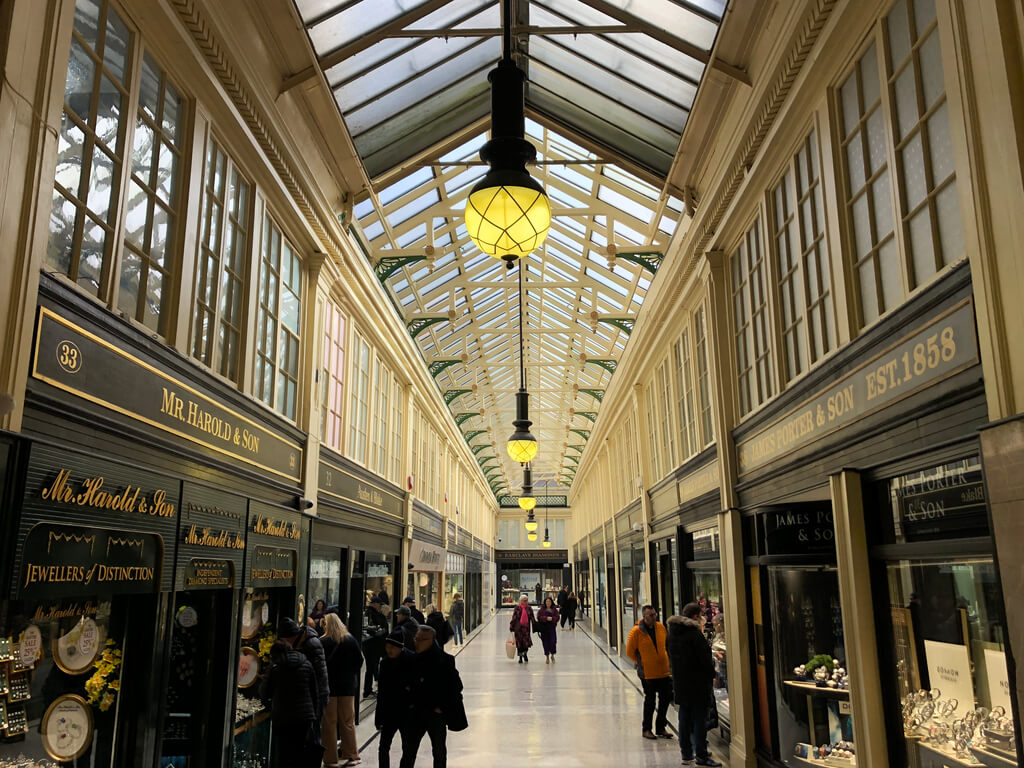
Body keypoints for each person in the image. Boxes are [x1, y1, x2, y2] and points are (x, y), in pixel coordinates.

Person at [400, 625, 466, 768]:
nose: (417, 642)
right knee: (409, 750)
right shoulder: (412, 660)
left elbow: (456, 686)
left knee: (439, 751)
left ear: (431, 640)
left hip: (435, 714)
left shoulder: (444, 661)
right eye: (416, 639)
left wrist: (440, 707)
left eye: (422, 639)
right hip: (416, 712)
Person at [667, 603, 721, 767]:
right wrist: (712, 674)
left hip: (681, 683)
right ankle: (702, 755)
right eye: (701, 615)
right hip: (697, 684)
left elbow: (670, 655)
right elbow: (704, 660)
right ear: (696, 616)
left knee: (684, 718)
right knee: (699, 720)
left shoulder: (672, 634)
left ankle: (686, 754)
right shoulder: (694, 635)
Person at [260, 640, 322, 768]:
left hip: (282, 717)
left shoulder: (275, 667)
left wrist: (268, 706)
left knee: (283, 752)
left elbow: (264, 691)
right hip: (304, 718)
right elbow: (315, 692)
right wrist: (313, 714)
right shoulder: (306, 663)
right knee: (300, 750)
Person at [320, 613, 363, 767]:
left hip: (329, 687)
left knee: (329, 723)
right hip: (347, 686)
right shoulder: (350, 640)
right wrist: (349, 673)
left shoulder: (322, 642)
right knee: (347, 721)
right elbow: (359, 660)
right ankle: (352, 755)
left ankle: (330, 758)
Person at [625, 605, 674, 741]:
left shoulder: (660, 628)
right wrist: (642, 663)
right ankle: (646, 729)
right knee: (650, 701)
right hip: (648, 673)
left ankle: (660, 727)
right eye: (651, 615)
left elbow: (666, 645)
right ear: (644, 617)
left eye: (655, 614)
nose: (654, 617)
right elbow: (629, 651)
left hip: (663, 671)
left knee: (665, 699)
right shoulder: (636, 632)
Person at [278, 618, 329, 734]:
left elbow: (318, 674)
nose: (285, 642)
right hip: (311, 694)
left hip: (317, 695)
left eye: (284, 640)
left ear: (291, 637)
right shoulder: (302, 642)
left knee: (313, 731)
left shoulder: (311, 644)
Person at [376, 632, 414, 768]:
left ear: (400, 647)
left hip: (406, 712)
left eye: (393, 647)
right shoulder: (385, 663)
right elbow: (381, 692)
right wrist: (378, 718)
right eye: (387, 647)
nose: (389, 650)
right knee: (384, 746)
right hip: (389, 712)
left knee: (408, 747)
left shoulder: (411, 660)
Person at [363, 596, 390, 698]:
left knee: (372, 667)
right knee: (370, 668)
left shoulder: (374, 613)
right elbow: (370, 629)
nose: (380, 606)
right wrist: (381, 630)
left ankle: (369, 689)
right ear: (374, 604)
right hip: (371, 645)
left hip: (374, 645)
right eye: (379, 604)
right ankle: (367, 691)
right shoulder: (370, 613)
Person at [509, 595, 534, 663]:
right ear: (521, 601)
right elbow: (514, 617)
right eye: (524, 600)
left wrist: (536, 625)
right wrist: (511, 626)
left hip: (526, 628)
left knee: (526, 643)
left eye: (526, 600)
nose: (525, 602)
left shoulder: (529, 608)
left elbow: (532, 617)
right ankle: (520, 657)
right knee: (519, 643)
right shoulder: (517, 608)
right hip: (518, 628)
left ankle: (525, 654)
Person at [536, 596, 560, 663]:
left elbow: (557, 617)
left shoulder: (554, 609)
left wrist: (553, 619)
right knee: (545, 643)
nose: (548, 603)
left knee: (553, 642)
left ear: (551, 602)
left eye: (549, 601)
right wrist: (545, 618)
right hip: (544, 629)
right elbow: (539, 617)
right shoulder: (542, 609)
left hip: (552, 628)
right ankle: (547, 657)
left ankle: (552, 655)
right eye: (547, 601)